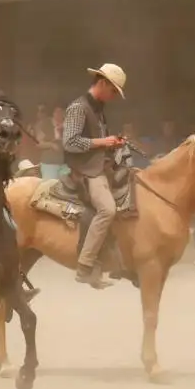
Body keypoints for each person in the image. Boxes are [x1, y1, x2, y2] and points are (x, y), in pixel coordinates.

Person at [63, 62, 128, 289]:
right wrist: (103, 142)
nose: (113, 96)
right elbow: (69, 142)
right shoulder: (78, 108)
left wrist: (113, 143)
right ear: (102, 83)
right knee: (107, 209)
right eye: (113, 91)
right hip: (87, 171)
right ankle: (86, 264)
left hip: (100, 165)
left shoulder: (98, 108)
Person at [35, 105, 66, 182]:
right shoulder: (45, 124)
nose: (59, 114)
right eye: (57, 112)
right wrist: (51, 145)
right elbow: (38, 143)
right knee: (50, 188)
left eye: (62, 112)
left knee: (65, 189)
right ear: (53, 113)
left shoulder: (69, 125)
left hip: (66, 164)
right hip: (49, 163)